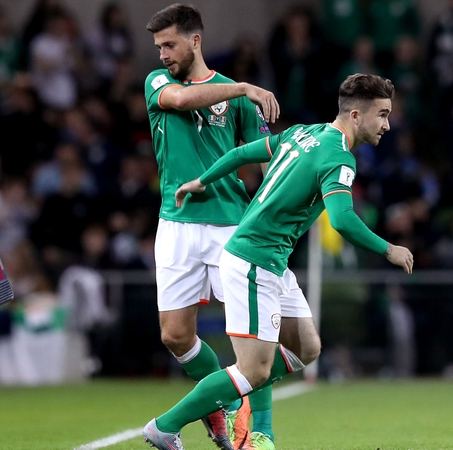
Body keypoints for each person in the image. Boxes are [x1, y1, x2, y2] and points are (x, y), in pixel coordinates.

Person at [142, 73, 414, 449]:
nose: (387, 124)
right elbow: (342, 220)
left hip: (271, 261)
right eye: (382, 114)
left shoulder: (303, 133)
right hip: (254, 262)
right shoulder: (339, 158)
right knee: (253, 371)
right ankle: (167, 426)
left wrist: (202, 181)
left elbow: (241, 154)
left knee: (307, 348)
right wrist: (389, 249)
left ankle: (249, 416)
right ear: (356, 115)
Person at [144, 4, 281, 450]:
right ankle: (220, 405)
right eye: (159, 46)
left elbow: (262, 157)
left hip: (230, 225)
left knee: (252, 336)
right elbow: (183, 101)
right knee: (175, 335)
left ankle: (259, 432)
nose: (163, 54)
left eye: (170, 45)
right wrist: (243, 86)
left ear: (195, 40)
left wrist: (273, 208)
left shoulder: (237, 99)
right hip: (176, 224)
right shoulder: (158, 83)